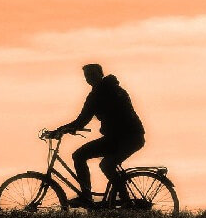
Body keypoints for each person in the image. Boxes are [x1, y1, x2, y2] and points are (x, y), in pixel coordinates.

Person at [50, 63, 145, 207]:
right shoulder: (114, 89)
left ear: (100, 74)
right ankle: (113, 199)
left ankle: (117, 201)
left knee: (92, 160)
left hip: (126, 138)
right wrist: (66, 128)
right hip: (124, 137)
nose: (89, 78)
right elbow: (83, 120)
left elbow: (82, 120)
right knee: (101, 162)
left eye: (92, 74)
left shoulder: (100, 94)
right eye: (87, 76)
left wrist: (59, 130)